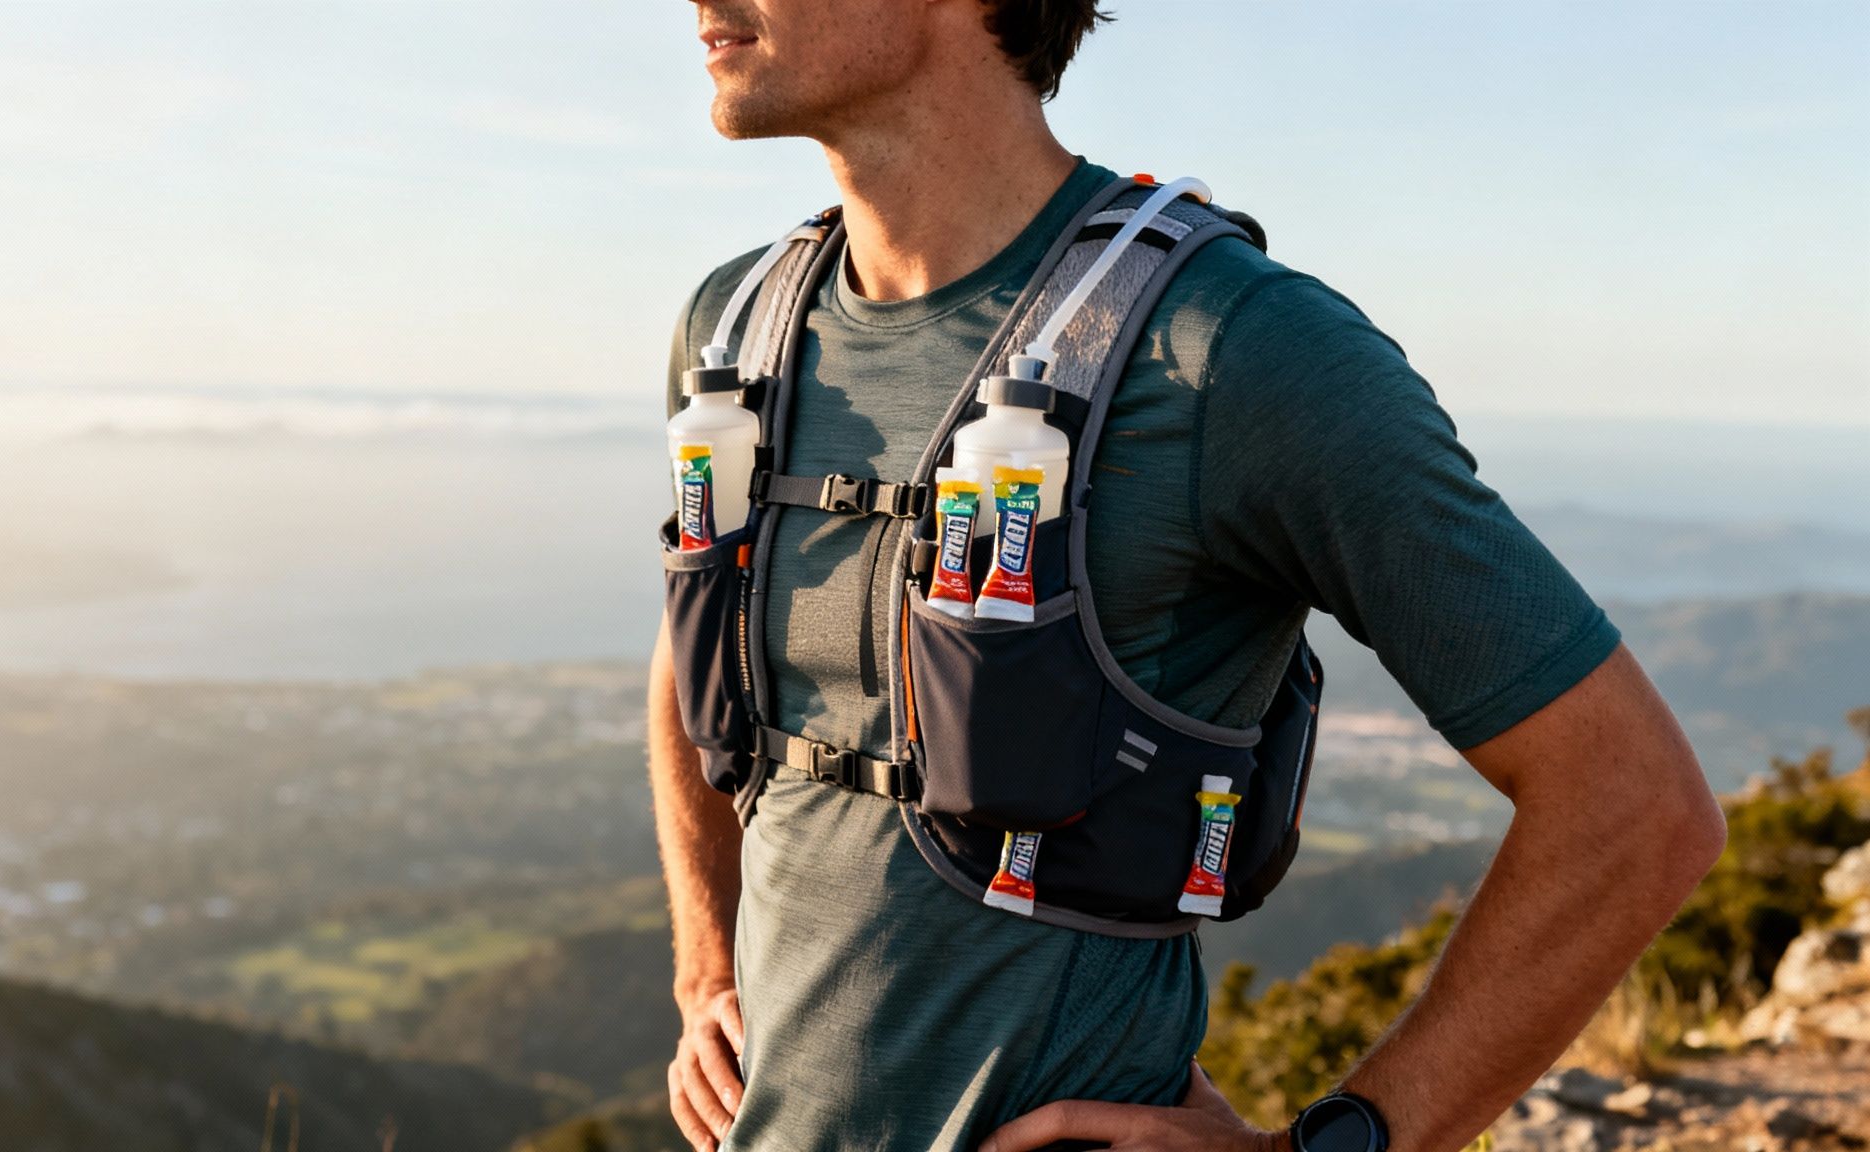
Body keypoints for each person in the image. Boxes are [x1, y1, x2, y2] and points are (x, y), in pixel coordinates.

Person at [647, 2, 1726, 1149]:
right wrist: (704, 969)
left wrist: (1339, 1142)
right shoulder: (737, 330)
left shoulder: (1234, 347)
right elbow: (693, 652)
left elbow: (1630, 803)